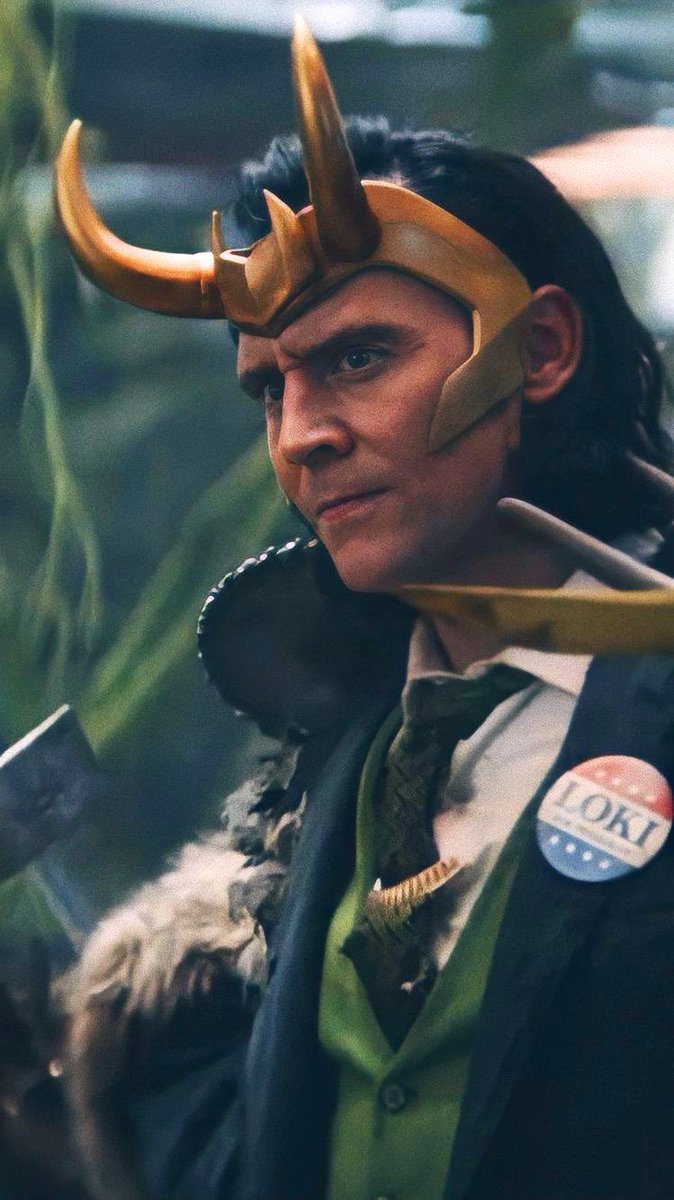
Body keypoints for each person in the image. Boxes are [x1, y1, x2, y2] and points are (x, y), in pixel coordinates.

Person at [55, 18, 674, 1200]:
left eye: (355, 359)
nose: (300, 436)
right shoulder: (334, 751)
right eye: (267, 391)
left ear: (539, 348)